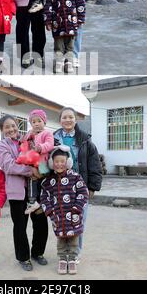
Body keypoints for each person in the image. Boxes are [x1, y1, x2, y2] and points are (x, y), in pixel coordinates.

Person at [0, 114, 49, 271]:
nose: (11, 129)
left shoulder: (28, 139)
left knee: (40, 222)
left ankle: (37, 253)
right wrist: (31, 170)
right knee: (20, 225)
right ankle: (23, 257)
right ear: (2, 130)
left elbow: (42, 155)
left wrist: (41, 171)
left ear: (17, 126)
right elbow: (9, 165)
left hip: (36, 189)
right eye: (7, 127)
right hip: (17, 192)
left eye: (13, 125)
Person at [54, 107, 102, 263]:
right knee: (61, 221)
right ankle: (64, 253)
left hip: (79, 187)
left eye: (71, 117)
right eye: (64, 117)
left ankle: (76, 253)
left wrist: (93, 187)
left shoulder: (85, 139)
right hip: (59, 188)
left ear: (75, 120)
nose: (68, 120)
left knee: (78, 220)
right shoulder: (53, 138)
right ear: (59, 120)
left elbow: (94, 163)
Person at [40, 145, 89, 275]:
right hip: (58, 217)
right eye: (56, 162)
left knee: (73, 240)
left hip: (74, 216)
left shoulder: (75, 177)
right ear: (52, 163)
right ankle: (62, 260)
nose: (59, 164)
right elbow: (44, 198)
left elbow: (83, 193)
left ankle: (72, 260)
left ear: (68, 162)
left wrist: (77, 208)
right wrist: (50, 212)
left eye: (62, 161)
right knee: (61, 240)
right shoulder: (49, 181)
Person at [43, 0, 86, 74]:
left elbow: (80, 4)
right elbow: (47, 7)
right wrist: (48, 21)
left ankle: (69, 63)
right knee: (58, 46)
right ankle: (58, 63)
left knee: (70, 46)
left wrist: (81, 19)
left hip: (72, 23)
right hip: (57, 25)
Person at [21, 109, 54, 214]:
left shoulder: (47, 133)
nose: (36, 124)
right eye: (33, 122)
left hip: (42, 164)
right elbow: (24, 142)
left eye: (39, 121)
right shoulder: (30, 133)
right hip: (32, 162)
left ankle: (34, 201)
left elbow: (50, 144)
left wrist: (40, 148)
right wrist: (27, 137)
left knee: (37, 180)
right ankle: (35, 201)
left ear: (44, 121)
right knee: (33, 180)